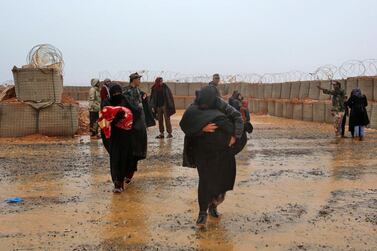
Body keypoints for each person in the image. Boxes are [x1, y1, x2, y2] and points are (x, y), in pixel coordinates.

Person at [180, 86, 246, 228]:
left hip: (223, 152)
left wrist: (235, 137)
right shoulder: (194, 107)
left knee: (222, 180)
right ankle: (202, 213)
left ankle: (214, 205)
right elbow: (186, 124)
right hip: (203, 152)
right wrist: (201, 128)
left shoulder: (221, 104)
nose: (204, 105)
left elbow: (238, 118)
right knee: (205, 181)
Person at [101, 83, 140, 193]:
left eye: (119, 93)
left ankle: (124, 178)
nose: (117, 95)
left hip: (126, 136)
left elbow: (135, 112)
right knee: (115, 159)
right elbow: (104, 120)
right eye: (115, 93)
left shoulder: (125, 100)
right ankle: (117, 183)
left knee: (126, 158)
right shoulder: (106, 102)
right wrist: (115, 119)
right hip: (113, 137)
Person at [123, 73, 148, 161]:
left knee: (142, 133)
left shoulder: (137, 89)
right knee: (135, 134)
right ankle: (134, 153)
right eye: (138, 79)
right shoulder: (127, 90)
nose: (140, 81)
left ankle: (140, 153)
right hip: (133, 115)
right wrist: (137, 108)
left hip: (140, 114)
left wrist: (143, 94)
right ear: (134, 80)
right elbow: (128, 104)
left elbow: (139, 95)